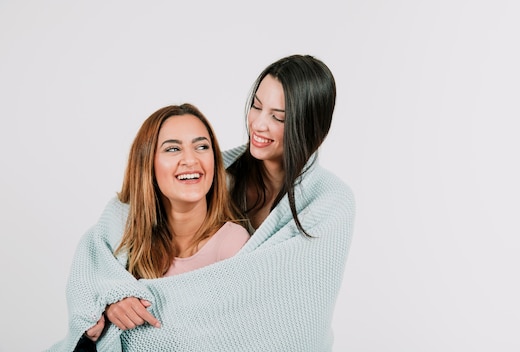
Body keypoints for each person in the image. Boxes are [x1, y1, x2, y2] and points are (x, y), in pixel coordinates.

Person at [48, 54, 355, 352]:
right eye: (256, 106)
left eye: (278, 117)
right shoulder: (211, 173)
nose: (258, 125)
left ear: (311, 126)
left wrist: (138, 310)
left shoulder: (328, 203)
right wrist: (113, 292)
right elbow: (118, 225)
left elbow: (294, 307)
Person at [48, 103, 250, 351]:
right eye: (173, 149)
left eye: (202, 146)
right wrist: (111, 306)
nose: (190, 159)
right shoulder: (124, 236)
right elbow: (93, 287)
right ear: (148, 165)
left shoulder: (232, 244)